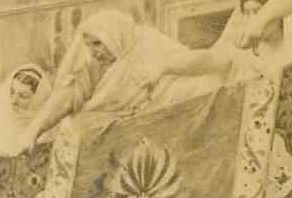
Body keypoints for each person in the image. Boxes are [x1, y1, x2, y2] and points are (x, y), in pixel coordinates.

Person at [20, 10, 248, 146]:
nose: (94, 52)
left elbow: (197, 62)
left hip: (171, 112)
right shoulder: (93, 67)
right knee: (73, 128)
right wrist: (34, 131)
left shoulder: (147, 43)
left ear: (114, 36)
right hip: (127, 127)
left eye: (98, 44)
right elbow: (66, 97)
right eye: (89, 46)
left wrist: (162, 68)